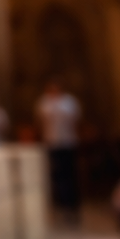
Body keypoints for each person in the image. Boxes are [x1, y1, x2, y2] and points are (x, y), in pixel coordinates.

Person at [37, 80, 82, 219]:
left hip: (68, 142)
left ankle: (72, 203)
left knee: (69, 174)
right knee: (55, 175)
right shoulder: (44, 103)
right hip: (52, 143)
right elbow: (41, 120)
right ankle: (59, 203)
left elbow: (75, 120)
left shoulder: (69, 102)